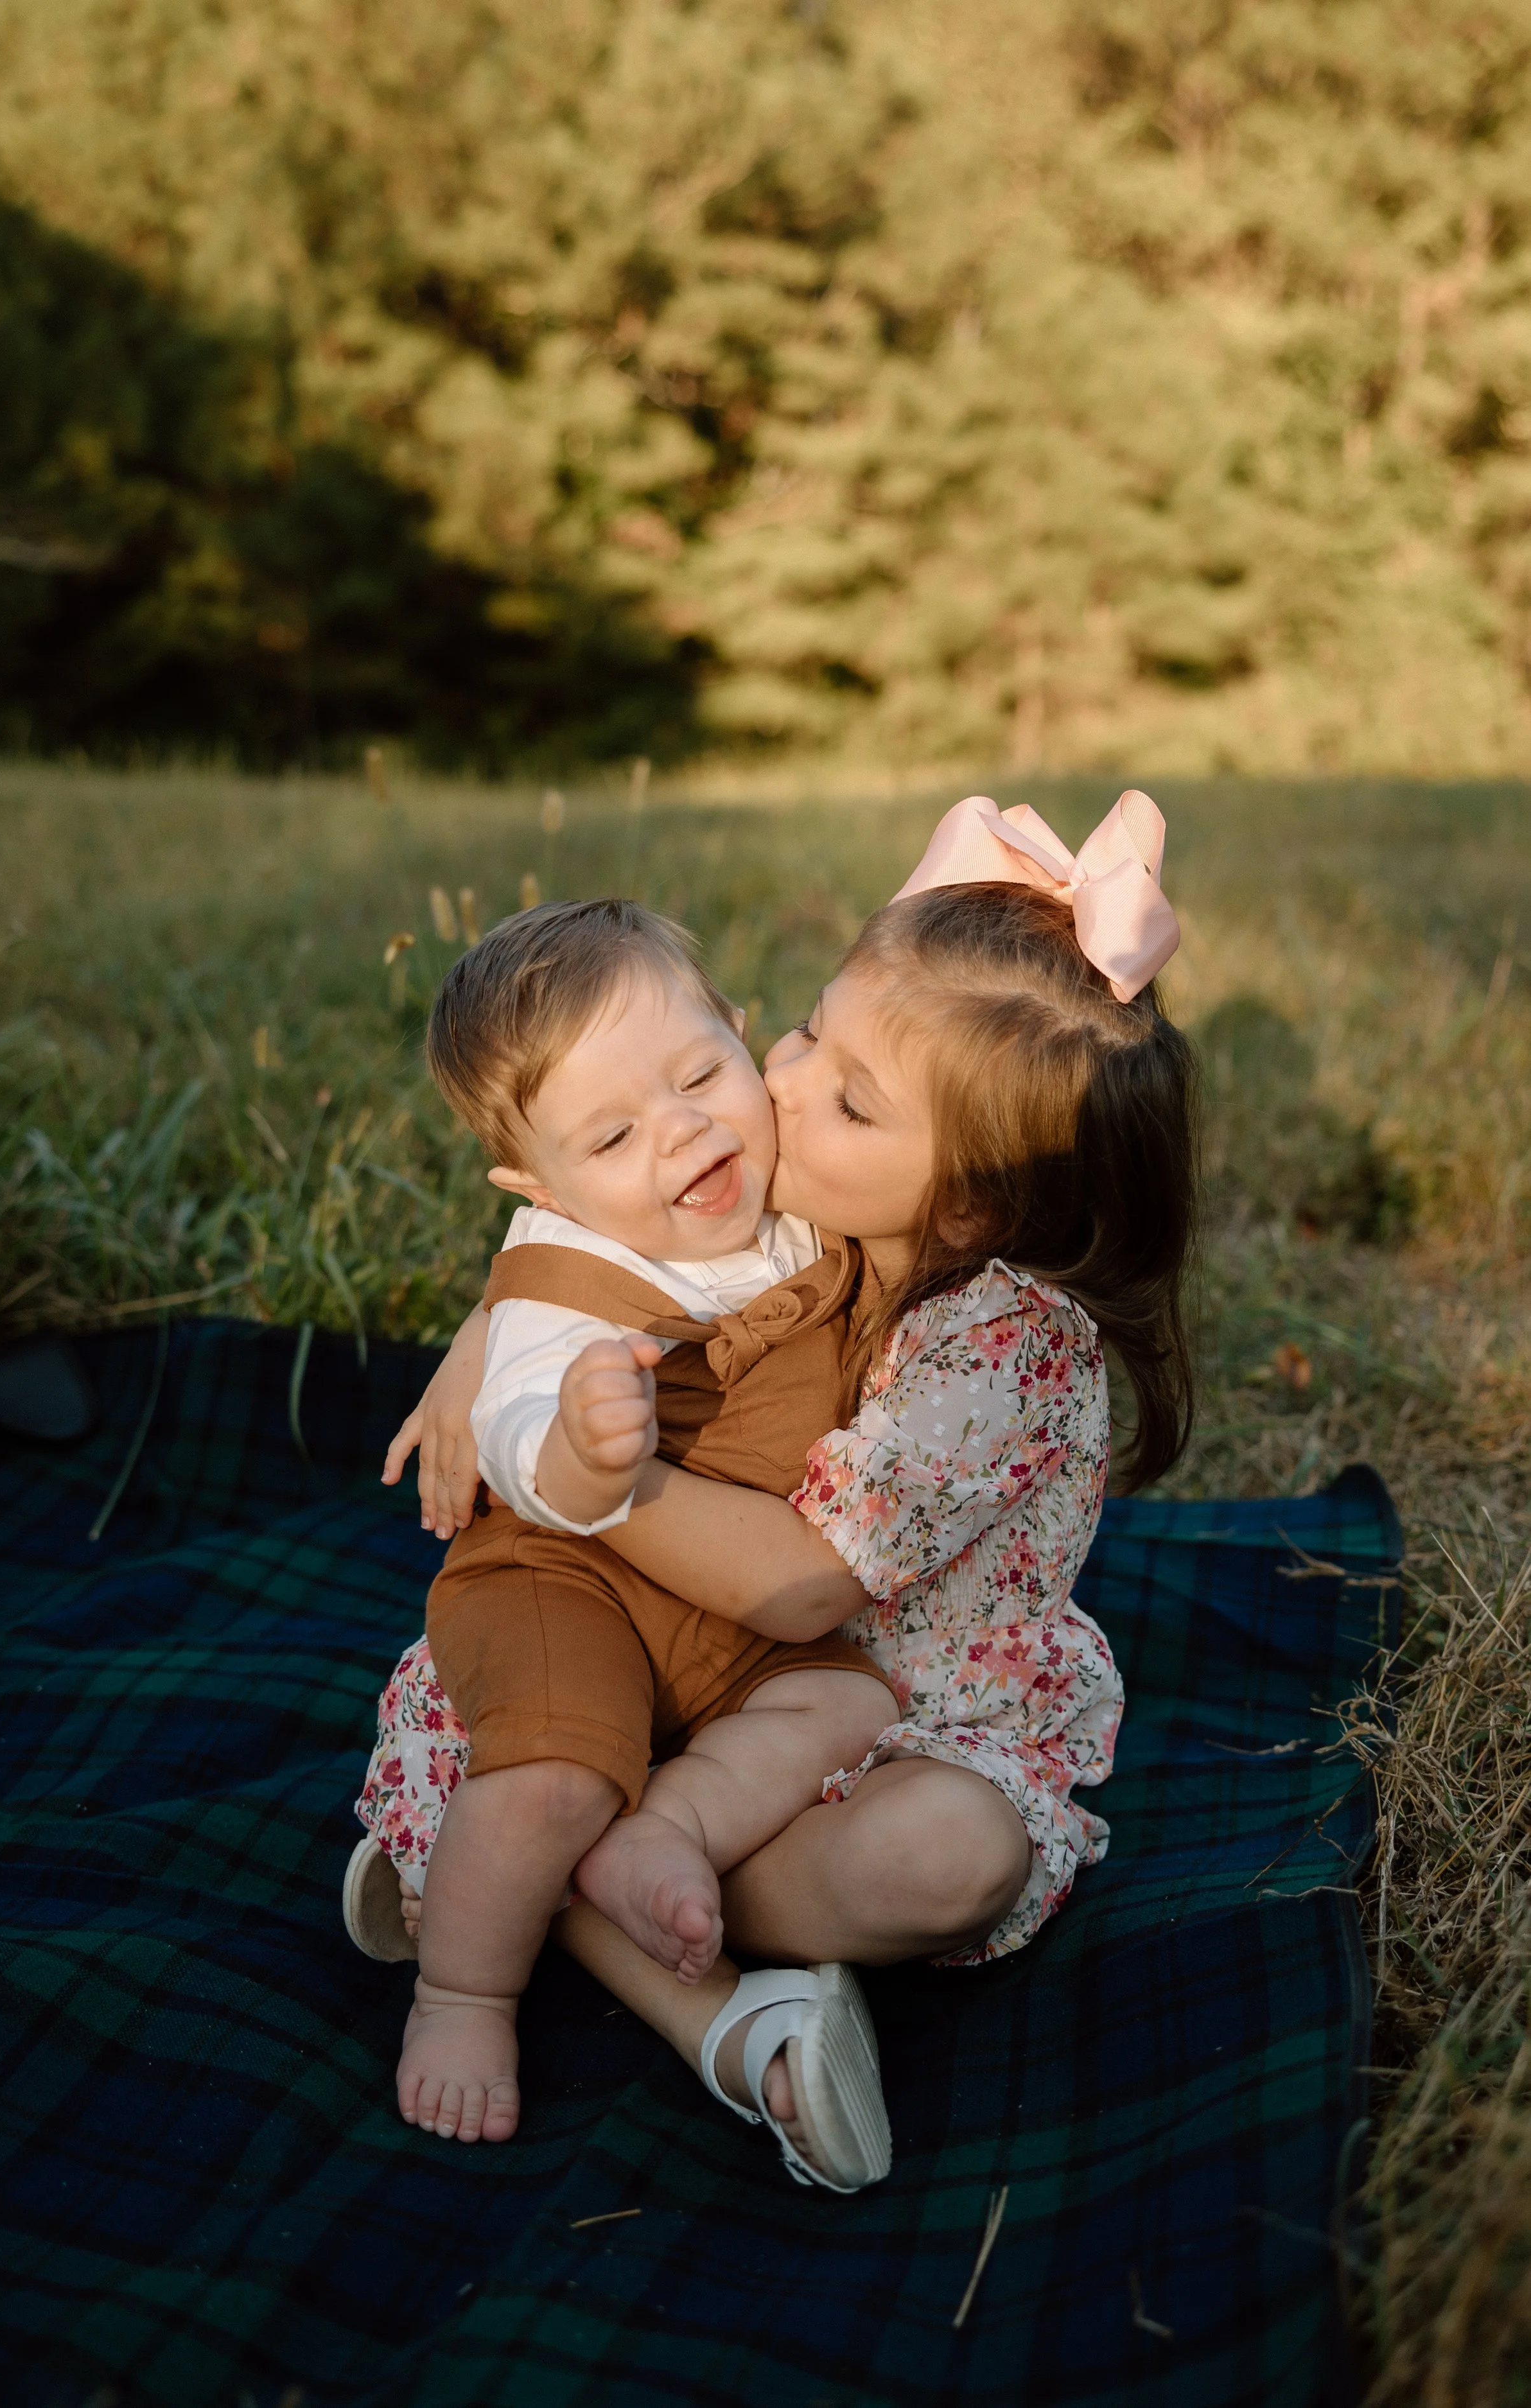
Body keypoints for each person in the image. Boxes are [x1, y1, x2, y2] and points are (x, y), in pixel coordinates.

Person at [369, 790, 1200, 2194]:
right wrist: (485, 1351)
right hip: (684, 1659)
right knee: (556, 1742)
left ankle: (556, 1883)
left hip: (873, 1694)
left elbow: (811, 1581)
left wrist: (593, 1483)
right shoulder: (818, 1182)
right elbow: (578, 1248)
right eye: (804, 1029)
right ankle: (606, 1905)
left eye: (844, 1094)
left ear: (970, 1206)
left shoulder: (996, 1344)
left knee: (949, 1857)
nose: (778, 1087)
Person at [347, 898, 900, 2185]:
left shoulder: (798, 1200)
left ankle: (665, 1833)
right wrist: (585, 1446)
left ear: (745, 1036)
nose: (684, 1133)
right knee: (554, 1772)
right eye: (610, 1135)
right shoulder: (562, 1277)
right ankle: (466, 1993)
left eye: (701, 1074)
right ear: (539, 1188)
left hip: (729, 1606)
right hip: (565, 1578)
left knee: (849, 1701)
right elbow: (522, 1423)